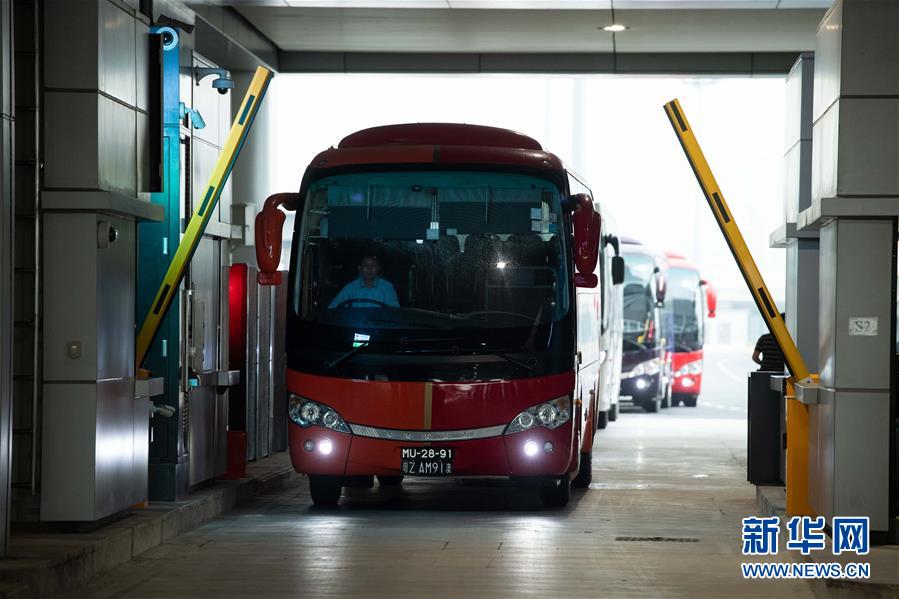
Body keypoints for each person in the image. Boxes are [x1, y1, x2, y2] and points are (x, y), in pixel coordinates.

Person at [328, 254, 399, 309]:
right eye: (366, 265)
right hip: (354, 325)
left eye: (373, 266)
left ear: (378, 268)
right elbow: (333, 308)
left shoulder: (387, 287)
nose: (369, 269)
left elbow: (394, 311)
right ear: (360, 268)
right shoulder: (350, 287)